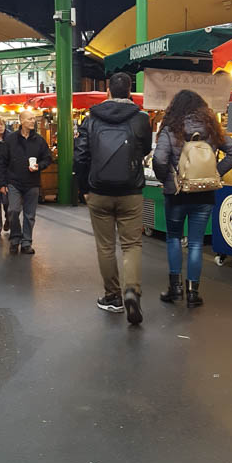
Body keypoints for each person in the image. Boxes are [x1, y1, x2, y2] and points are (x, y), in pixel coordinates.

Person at [73, 71, 152, 325]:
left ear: (108, 91)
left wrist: (84, 187)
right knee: (131, 245)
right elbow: (146, 149)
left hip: (99, 192)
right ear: (130, 91)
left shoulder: (92, 117)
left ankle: (112, 297)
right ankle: (132, 290)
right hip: (131, 192)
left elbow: (80, 156)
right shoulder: (141, 118)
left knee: (105, 246)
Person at [152, 89, 232, 308]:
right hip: (204, 193)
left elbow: (159, 158)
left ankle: (175, 289)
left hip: (177, 194)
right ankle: (193, 293)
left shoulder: (170, 129)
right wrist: (216, 173)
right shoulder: (211, 129)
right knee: (195, 243)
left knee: (174, 238)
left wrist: (167, 180)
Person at [0, 110, 52, 255]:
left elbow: (47, 158)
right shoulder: (10, 140)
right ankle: (15, 238)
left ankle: (26, 242)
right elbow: (2, 161)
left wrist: (39, 166)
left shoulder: (39, 140)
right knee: (13, 210)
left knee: (30, 215)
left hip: (32, 183)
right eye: (29, 119)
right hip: (14, 182)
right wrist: (2, 184)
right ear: (21, 121)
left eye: (34, 118)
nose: (33, 121)